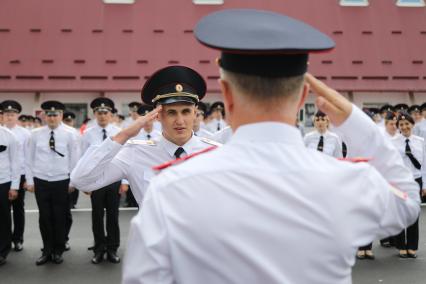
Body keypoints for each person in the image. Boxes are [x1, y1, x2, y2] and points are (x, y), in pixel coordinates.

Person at [122, 9, 420, 284]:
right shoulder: (349, 182)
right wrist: (354, 121)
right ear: (303, 96)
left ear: (226, 94)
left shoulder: (172, 189)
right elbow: (407, 203)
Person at [71, 65, 221, 207]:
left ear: (195, 113)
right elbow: (82, 181)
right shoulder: (135, 153)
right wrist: (124, 135)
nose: (180, 121)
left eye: (186, 112)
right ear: (157, 116)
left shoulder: (216, 153)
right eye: (171, 113)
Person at [25, 101, 80, 265]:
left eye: (55, 115)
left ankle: (58, 250)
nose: (52, 118)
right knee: (44, 217)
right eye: (49, 115)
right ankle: (47, 250)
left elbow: (75, 160)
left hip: (61, 180)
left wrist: (73, 181)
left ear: (61, 115)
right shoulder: (35, 134)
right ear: (44, 116)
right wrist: (29, 180)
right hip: (41, 180)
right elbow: (29, 159)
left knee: (60, 217)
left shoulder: (71, 133)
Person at [80, 98, 124, 264]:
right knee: (97, 216)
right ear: (94, 114)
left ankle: (112, 248)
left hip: (113, 179)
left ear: (111, 114)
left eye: (106, 112)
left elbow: (124, 157)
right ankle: (99, 248)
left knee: (113, 215)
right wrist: (84, 181)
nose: (102, 115)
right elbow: (83, 158)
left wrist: (125, 182)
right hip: (96, 180)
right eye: (99, 112)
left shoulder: (119, 131)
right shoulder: (88, 134)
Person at [392, 112, 425, 258]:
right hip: (400, 182)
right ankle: (401, 246)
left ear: (412, 124)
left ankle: (412, 246)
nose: (404, 127)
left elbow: (424, 165)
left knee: (413, 213)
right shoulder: (393, 142)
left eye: (407, 124)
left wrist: (424, 184)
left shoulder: (420, 141)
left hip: (415, 180)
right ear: (398, 126)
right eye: (401, 125)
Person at [1, 100, 31, 252]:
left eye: (12, 114)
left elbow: (28, 157)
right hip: (6, 174)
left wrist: (27, 179)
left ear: (17, 115)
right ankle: (4, 240)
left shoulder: (25, 133)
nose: (9, 117)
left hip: (20, 175)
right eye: (7, 114)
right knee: (3, 211)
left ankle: (17, 239)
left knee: (18, 208)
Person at [0, 104, 20, 265]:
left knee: (3, 218)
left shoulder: (9, 136)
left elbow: (16, 162)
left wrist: (14, 186)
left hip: (3, 182)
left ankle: (2, 250)